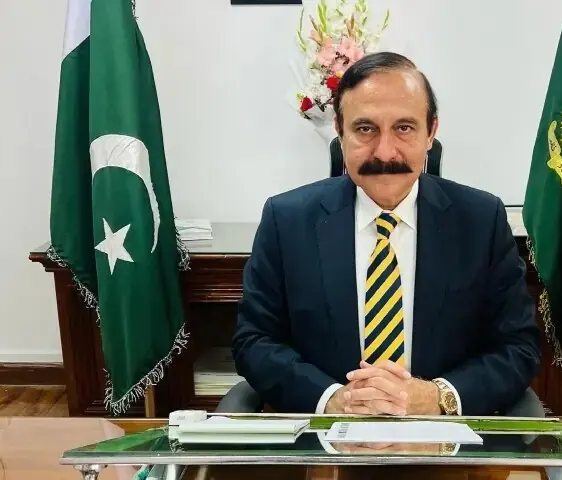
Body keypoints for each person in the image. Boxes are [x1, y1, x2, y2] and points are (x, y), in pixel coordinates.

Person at [230, 51, 543, 417]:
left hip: (444, 438)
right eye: (365, 129)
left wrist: (437, 397)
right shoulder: (287, 221)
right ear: (339, 131)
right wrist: (332, 399)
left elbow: (517, 347)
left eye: (404, 128)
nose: (384, 151)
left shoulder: (481, 221)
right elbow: (255, 342)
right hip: (324, 436)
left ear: (431, 132)